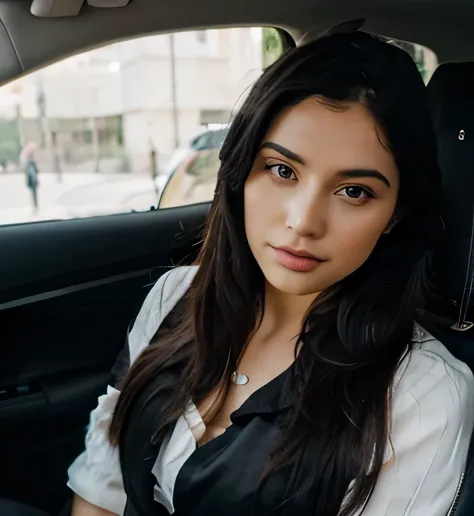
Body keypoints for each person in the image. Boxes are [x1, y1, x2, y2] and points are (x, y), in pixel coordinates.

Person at [67, 31, 474, 516]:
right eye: (282, 170)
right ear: (241, 171)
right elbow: (104, 485)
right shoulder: (174, 297)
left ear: (396, 214)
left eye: (355, 192)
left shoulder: (418, 398)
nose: (303, 221)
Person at [21, 141, 40, 210]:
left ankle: (35, 205)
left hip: (32, 181)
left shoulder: (29, 162)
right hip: (33, 182)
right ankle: (35, 206)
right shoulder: (30, 162)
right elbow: (32, 173)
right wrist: (34, 180)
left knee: (33, 194)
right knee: (34, 194)